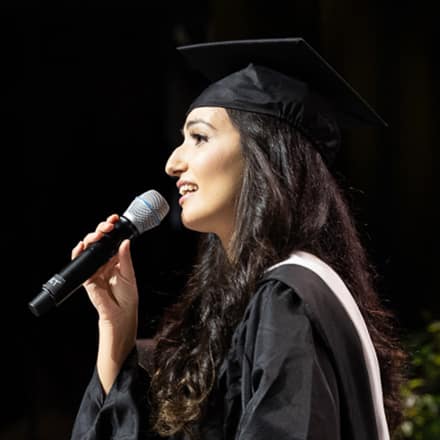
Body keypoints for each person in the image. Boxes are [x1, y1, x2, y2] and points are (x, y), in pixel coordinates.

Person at [70, 38, 406, 440]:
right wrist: (117, 326)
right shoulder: (252, 304)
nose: (173, 163)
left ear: (262, 154)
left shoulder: (289, 299)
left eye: (199, 137)